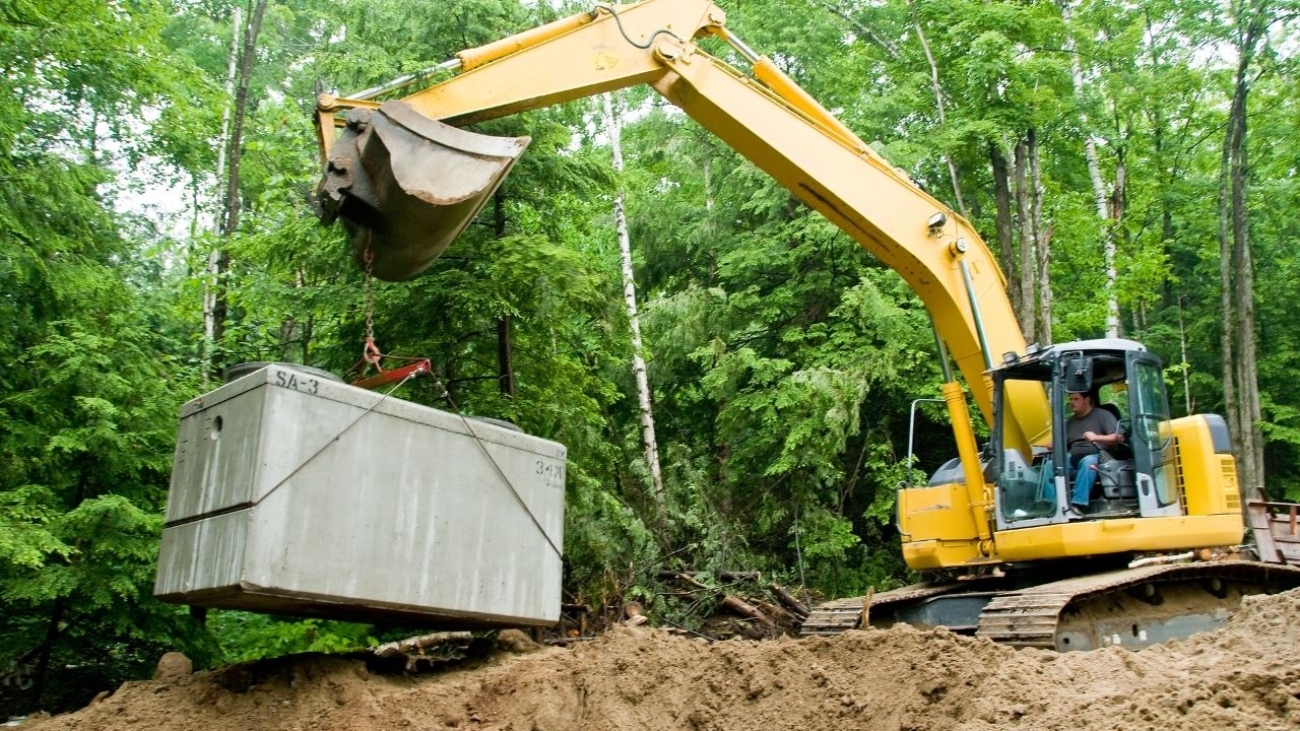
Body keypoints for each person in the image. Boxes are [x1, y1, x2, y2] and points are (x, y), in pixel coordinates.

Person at [1064, 390, 1121, 515]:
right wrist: (1053, 445)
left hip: (1104, 456)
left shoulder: (1103, 415)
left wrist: (1097, 437)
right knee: (1050, 466)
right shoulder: (1069, 423)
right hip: (1075, 459)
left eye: (1076, 399)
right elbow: (1063, 445)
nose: (1072, 403)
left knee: (1088, 461)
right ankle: (1054, 503)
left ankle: (1078, 504)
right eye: (1070, 400)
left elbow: (1118, 438)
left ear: (1087, 400)